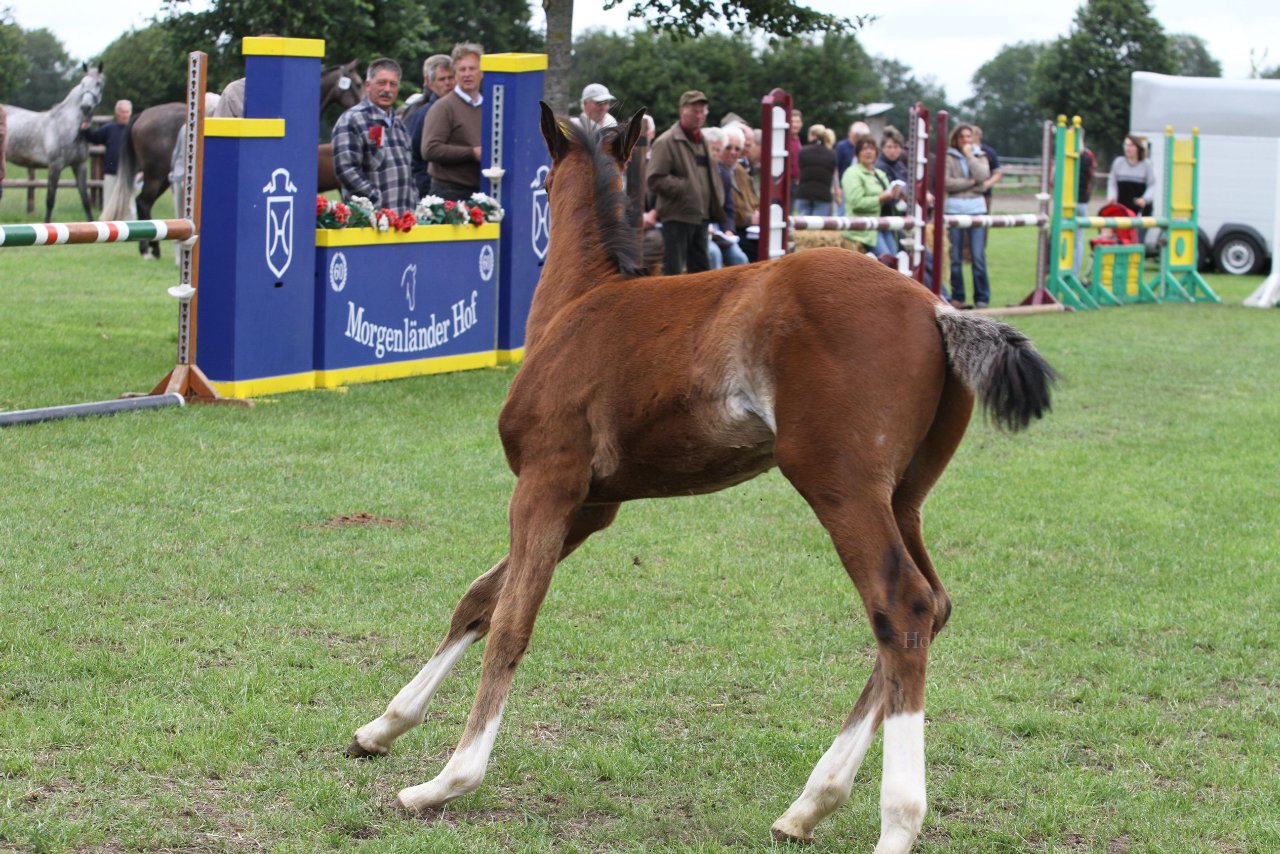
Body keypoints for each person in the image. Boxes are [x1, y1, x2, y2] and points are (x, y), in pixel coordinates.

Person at [648, 89, 725, 275]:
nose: (699, 116)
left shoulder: (704, 141)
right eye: (694, 111)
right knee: (673, 271)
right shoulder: (666, 142)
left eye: (703, 111)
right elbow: (654, 179)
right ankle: (669, 305)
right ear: (682, 111)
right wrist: (686, 188)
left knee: (701, 272)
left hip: (701, 217)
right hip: (678, 216)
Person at [331, 57, 416, 211]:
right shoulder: (352, 120)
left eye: (393, 84)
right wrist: (376, 199)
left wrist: (413, 202)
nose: (387, 89)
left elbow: (409, 172)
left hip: (403, 223)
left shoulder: (399, 126)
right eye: (382, 83)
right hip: (368, 223)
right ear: (368, 85)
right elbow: (346, 170)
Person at [421, 43, 485, 202]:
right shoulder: (443, 107)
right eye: (462, 70)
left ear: (482, 72)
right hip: (449, 194)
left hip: (481, 192)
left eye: (472, 68)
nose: (467, 74)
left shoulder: (490, 106)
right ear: (456, 74)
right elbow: (429, 149)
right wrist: (472, 153)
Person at [944, 123, 992, 309]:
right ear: (956, 139)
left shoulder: (980, 155)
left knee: (978, 256)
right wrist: (972, 183)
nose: (966, 140)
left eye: (969, 137)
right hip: (954, 210)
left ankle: (982, 297)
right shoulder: (948, 157)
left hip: (977, 210)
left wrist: (970, 156)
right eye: (962, 137)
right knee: (955, 257)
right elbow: (948, 183)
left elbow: (983, 177)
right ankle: (958, 297)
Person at [405, 55, 455, 197]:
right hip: (431, 193)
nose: (448, 83)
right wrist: (427, 192)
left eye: (451, 77)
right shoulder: (421, 113)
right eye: (442, 79)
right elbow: (412, 158)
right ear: (430, 83)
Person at [841, 136, 901, 254]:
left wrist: (896, 195)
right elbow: (856, 202)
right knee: (886, 261)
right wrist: (880, 199)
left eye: (872, 149)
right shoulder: (852, 173)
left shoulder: (880, 173)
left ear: (876, 153)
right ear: (858, 153)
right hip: (865, 229)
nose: (868, 152)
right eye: (864, 149)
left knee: (894, 260)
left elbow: (888, 198)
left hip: (884, 225)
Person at [82, 99, 134, 219]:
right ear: (117, 113)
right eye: (123, 112)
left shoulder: (134, 129)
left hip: (128, 173)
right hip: (111, 171)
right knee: (109, 202)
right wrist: (85, 130)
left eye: (127, 112)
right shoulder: (109, 129)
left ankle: (132, 227)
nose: (125, 115)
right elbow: (94, 137)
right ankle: (108, 228)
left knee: (129, 203)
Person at [706, 126, 750, 267]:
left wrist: (728, 230)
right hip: (699, 228)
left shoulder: (724, 173)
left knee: (739, 258)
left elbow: (728, 209)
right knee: (714, 254)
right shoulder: (694, 171)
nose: (716, 154)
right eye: (728, 148)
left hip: (720, 229)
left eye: (737, 149)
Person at [1106, 133, 1156, 244]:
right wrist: (1112, 197)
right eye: (1126, 145)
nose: (1128, 148)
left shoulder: (1146, 164)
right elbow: (1112, 183)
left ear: (1138, 148)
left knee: (1137, 240)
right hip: (1123, 210)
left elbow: (1152, 185)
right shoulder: (1118, 163)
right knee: (1121, 240)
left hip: (1141, 212)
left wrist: (1145, 199)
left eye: (1131, 145)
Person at [874, 126, 909, 257]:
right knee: (891, 256)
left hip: (894, 217)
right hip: (883, 216)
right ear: (882, 148)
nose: (893, 151)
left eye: (896, 147)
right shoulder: (880, 167)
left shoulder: (900, 165)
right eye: (889, 147)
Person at [794, 124, 837, 217]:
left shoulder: (803, 151)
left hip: (804, 192)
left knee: (801, 226)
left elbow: (799, 168)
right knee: (817, 228)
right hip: (823, 194)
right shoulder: (831, 154)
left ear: (813, 135)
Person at [1073, 131, 1097, 277]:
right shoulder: (1089, 155)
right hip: (1082, 201)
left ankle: (1072, 273)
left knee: (1075, 241)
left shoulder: (1080, 156)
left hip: (1076, 202)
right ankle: (1072, 272)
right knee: (1077, 241)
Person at [971, 125, 1003, 212]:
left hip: (984, 193)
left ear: (978, 136)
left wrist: (987, 184)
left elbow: (997, 173)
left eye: (970, 135)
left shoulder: (988, 152)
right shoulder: (962, 151)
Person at [834, 120, 871, 186]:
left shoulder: (865, 147)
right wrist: (837, 186)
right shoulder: (842, 146)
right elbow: (836, 167)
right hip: (844, 183)